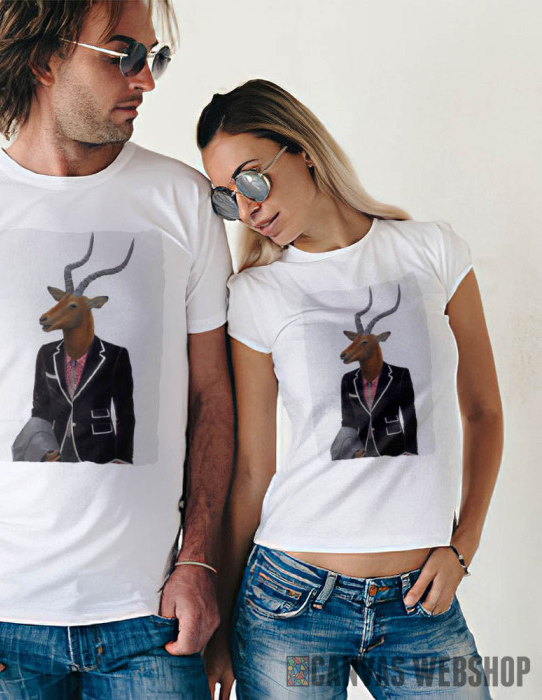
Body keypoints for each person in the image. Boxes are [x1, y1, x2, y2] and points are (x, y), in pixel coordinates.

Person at [0, 1, 233, 697]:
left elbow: (211, 398)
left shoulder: (183, 200)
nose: (146, 79)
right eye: (124, 54)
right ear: (46, 60)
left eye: (155, 58)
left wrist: (199, 561)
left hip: (152, 617)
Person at [197, 79, 503, 699]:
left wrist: (463, 547)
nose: (248, 209)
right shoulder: (256, 294)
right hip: (291, 601)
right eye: (228, 198)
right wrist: (221, 623)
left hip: (421, 601)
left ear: (303, 151)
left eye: (252, 179)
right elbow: (253, 469)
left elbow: (484, 411)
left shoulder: (432, 251)